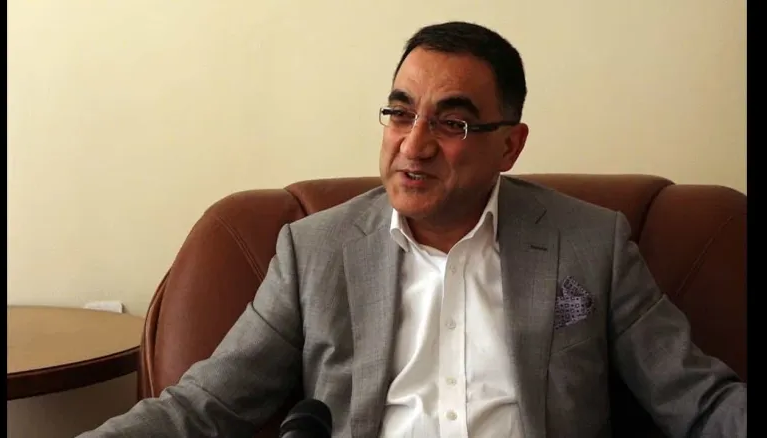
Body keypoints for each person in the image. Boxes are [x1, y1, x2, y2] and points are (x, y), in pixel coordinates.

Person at [79, 21, 746, 438]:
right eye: (400, 114)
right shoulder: (314, 251)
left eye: (452, 123)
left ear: (509, 146)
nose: (413, 145)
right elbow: (202, 408)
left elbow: (698, 399)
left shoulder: (591, 243)